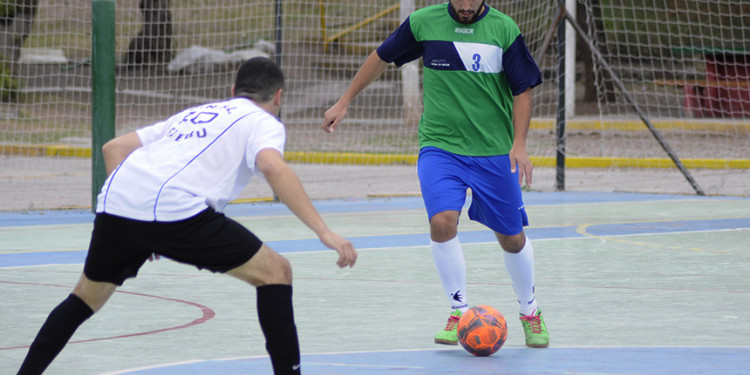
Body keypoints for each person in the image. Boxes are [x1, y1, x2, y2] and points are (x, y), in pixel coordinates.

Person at [18, 56, 358, 375]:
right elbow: (271, 165)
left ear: (232, 91)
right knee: (276, 272)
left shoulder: (194, 113)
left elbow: (114, 148)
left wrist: (141, 221)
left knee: (83, 299)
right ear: (279, 96)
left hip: (116, 202)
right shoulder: (263, 121)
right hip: (176, 209)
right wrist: (324, 232)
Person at [322, 0, 548, 348]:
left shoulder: (504, 30)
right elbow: (381, 56)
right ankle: (458, 310)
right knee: (442, 221)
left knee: (512, 238)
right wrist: (345, 100)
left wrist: (519, 143)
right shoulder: (423, 23)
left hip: (493, 150)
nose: (468, 5)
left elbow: (522, 91)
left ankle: (530, 311)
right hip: (440, 147)